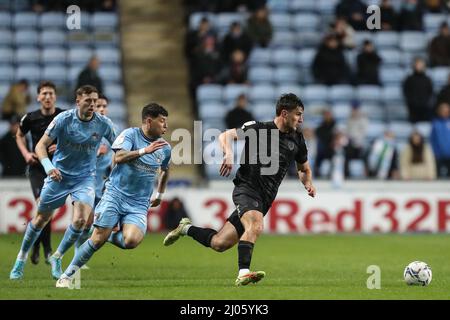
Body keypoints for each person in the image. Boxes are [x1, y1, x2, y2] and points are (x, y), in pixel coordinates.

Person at [163, 93, 316, 286]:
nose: (301, 119)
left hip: (264, 199)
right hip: (246, 189)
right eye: (298, 114)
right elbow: (225, 135)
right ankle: (243, 272)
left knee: (220, 243)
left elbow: (304, 169)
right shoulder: (258, 128)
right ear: (284, 113)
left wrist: (308, 183)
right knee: (256, 226)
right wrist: (227, 154)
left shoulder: (298, 140)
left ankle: (185, 228)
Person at [55, 103, 171, 288]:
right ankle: (67, 276)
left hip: (139, 203)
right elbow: (118, 157)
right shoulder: (130, 135)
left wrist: (160, 193)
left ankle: (108, 234)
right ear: (149, 121)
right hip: (115, 195)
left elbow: (165, 170)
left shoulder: (165, 148)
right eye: (162, 121)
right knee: (97, 240)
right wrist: (143, 151)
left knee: (131, 241)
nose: (166, 126)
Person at [9, 85, 116, 281]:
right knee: (41, 219)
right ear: (78, 102)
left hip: (85, 178)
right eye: (88, 101)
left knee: (81, 220)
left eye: (95, 101)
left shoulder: (104, 124)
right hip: (58, 176)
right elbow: (40, 145)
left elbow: (119, 147)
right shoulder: (64, 119)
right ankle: (21, 258)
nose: (93, 105)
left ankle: (57, 256)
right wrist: (49, 167)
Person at [14, 81, 66, 265]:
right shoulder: (30, 118)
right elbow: (19, 135)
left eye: (50, 93)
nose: (47, 97)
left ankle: (36, 245)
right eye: (44, 93)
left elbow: (72, 137)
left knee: (46, 212)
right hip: (37, 168)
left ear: (55, 97)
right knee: (43, 205)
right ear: (38, 97)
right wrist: (26, 153)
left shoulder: (63, 116)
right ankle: (47, 250)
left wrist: (59, 146)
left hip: (58, 170)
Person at [73, 93, 114, 265]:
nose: (102, 109)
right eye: (99, 106)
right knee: (85, 222)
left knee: (96, 224)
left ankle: (81, 254)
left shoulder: (112, 128)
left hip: (106, 184)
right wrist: (96, 154)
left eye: (105, 106)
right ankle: (77, 253)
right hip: (87, 181)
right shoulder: (86, 128)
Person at [402, 58, 433, 123]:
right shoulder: (409, 80)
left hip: (425, 108)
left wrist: (426, 102)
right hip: (413, 108)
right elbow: (406, 92)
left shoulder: (427, 80)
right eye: (418, 65)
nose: (419, 67)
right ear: (414, 66)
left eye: (421, 65)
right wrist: (412, 102)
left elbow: (430, 92)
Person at [430, 102, 450, 177]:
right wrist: (436, 152)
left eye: (447, 111)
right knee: (438, 176)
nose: (445, 113)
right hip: (439, 155)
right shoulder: (435, 123)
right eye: (443, 110)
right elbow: (433, 140)